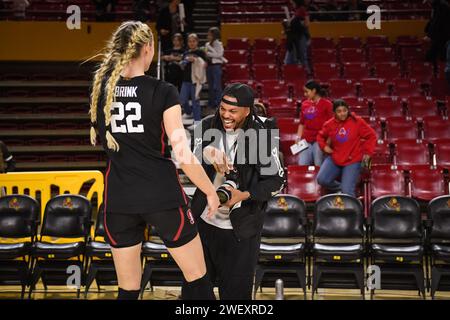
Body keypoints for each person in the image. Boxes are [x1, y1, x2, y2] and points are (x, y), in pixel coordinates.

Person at [88, 21, 220, 300]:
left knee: (128, 290)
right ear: (148, 48)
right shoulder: (162, 90)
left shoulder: (102, 90)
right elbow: (181, 153)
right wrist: (209, 190)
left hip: (119, 200)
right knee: (198, 277)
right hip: (161, 196)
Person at [189, 83, 285, 300]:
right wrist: (206, 152)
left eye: (232, 111)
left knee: (236, 298)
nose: (225, 115)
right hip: (203, 223)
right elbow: (188, 159)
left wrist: (244, 195)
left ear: (247, 110)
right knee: (195, 293)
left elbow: (277, 181)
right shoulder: (205, 126)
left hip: (241, 229)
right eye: (222, 108)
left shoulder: (261, 135)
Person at [316, 99, 377, 197]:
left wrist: (367, 153)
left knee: (347, 192)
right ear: (334, 113)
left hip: (353, 160)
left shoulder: (357, 121)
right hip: (335, 157)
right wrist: (324, 147)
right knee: (322, 179)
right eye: (339, 111)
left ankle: (349, 197)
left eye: (344, 110)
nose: (342, 113)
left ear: (348, 110)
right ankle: (343, 189)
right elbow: (320, 136)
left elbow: (372, 136)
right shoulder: (329, 124)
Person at [296, 80, 333, 166]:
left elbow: (332, 125)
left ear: (314, 91)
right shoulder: (304, 104)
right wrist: (298, 138)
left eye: (306, 92)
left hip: (320, 139)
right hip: (305, 139)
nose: (305, 94)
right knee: (302, 164)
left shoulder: (327, 104)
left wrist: (328, 142)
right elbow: (301, 123)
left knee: (318, 164)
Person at [180, 33, 207, 125]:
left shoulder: (201, 52)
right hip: (185, 80)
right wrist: (183, 63)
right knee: (183, 100)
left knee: (196, 101)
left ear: (197, 42)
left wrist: (196, 60)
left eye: (193, 41)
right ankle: (188, 112)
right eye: (190, 41)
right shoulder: (186, 53)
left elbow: (205, 64)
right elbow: (182, 66)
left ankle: (197, 122)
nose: (191, 43)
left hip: (196, 80)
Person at [284, 0, 310, 72]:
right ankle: (290, 72)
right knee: (290, 56)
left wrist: (296, 25)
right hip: (294, 37)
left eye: (293, 3)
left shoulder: (301, 10)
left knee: (302, 56)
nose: (292, 4)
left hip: (300, 36)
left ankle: (306, 73)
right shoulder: (296, 10)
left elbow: (306, 23)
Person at [205, 27, 225, 111]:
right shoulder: (207, 44)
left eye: (210, 34)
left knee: (217, 86)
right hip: (209, 66)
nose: (208, 36)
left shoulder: (219, 44)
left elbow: (219, 55)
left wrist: (209, 53)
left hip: (216, 66)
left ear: (214, 35)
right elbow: (214, 54)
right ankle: (212, 103)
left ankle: (219, 104)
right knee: (211, 86)